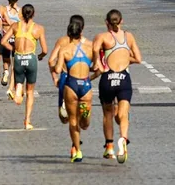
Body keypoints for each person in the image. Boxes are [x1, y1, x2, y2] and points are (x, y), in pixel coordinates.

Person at [92, 9, 142, 163]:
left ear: (106, 22)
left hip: (107, 78)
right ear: (121, 21)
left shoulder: (102, 37)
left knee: (107, 114)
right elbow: (139, 59)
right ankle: (123, 138)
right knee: (123, 114)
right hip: (123, 78)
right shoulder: (129, 36)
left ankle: (109, 147)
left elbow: (94, 49)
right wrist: (126, 57)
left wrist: (98, 62)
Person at [51, 15, 95, 162]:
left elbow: (57, 69)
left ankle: (78, 151)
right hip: (86, 85)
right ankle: (85, 114)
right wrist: (90, 76)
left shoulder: (65, 49)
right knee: (85, 124)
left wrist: (58, 72)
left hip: (71, 84)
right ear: (81, 32)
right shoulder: (90, 48)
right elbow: (99, 67)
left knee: (72, 121)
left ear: (69, 33)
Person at [4, 3, 48, 129]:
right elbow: (45, 50)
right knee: (30, 91)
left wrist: (14, 48)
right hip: (31, 59)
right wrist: (39, 56)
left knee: (19, 78)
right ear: (33, 14)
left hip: (18, 57)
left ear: (21, 14)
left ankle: (18, 87)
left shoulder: (15, 26)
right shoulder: (38, 28)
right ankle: (27, 121)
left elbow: (3, 41)